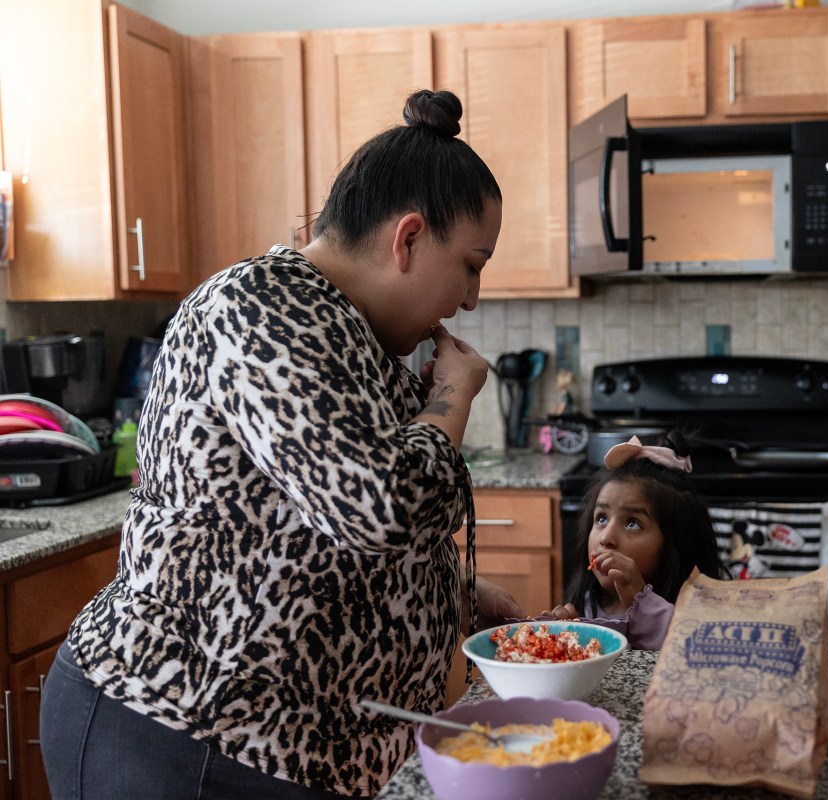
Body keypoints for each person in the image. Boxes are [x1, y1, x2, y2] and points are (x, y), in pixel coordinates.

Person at [39, 89, 524, 800]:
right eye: (472, 265)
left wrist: (453, 593)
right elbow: (380, 505)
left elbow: (303, 528)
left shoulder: (350, 332)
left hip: (281, 748)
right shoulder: (260, 306)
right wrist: (454, 395)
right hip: (182, 736)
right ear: (409, 238)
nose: (472, 298)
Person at [546, 432, 730, 649]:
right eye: (602, 518)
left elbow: (692, 649)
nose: (606, 538)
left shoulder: (694, 615)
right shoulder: (588, 604)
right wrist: (572, 638)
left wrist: (641, 604)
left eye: (632, 523)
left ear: (675, 544)